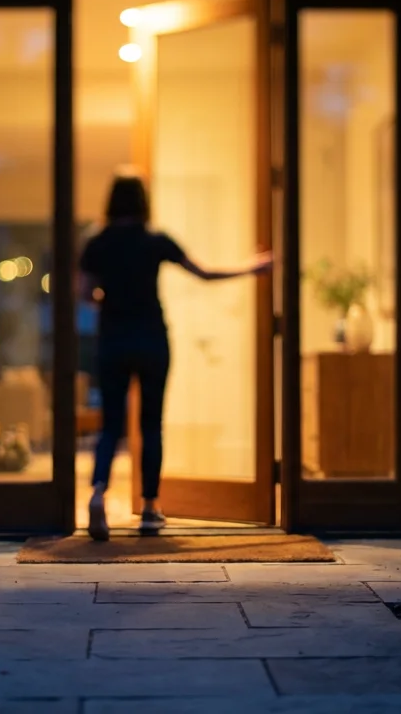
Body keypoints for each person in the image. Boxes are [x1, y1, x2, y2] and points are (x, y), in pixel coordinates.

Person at [78, 175, 272, 540]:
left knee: (110, 424)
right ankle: (150, 509)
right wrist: (252, 266)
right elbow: (205, 273)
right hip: (151, 337)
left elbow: (86, 294)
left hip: (113, 340)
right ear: (142, 203)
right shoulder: (155, 240)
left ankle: (97, 493)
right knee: (152, 424)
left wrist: (112, 298)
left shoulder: (97, 244)